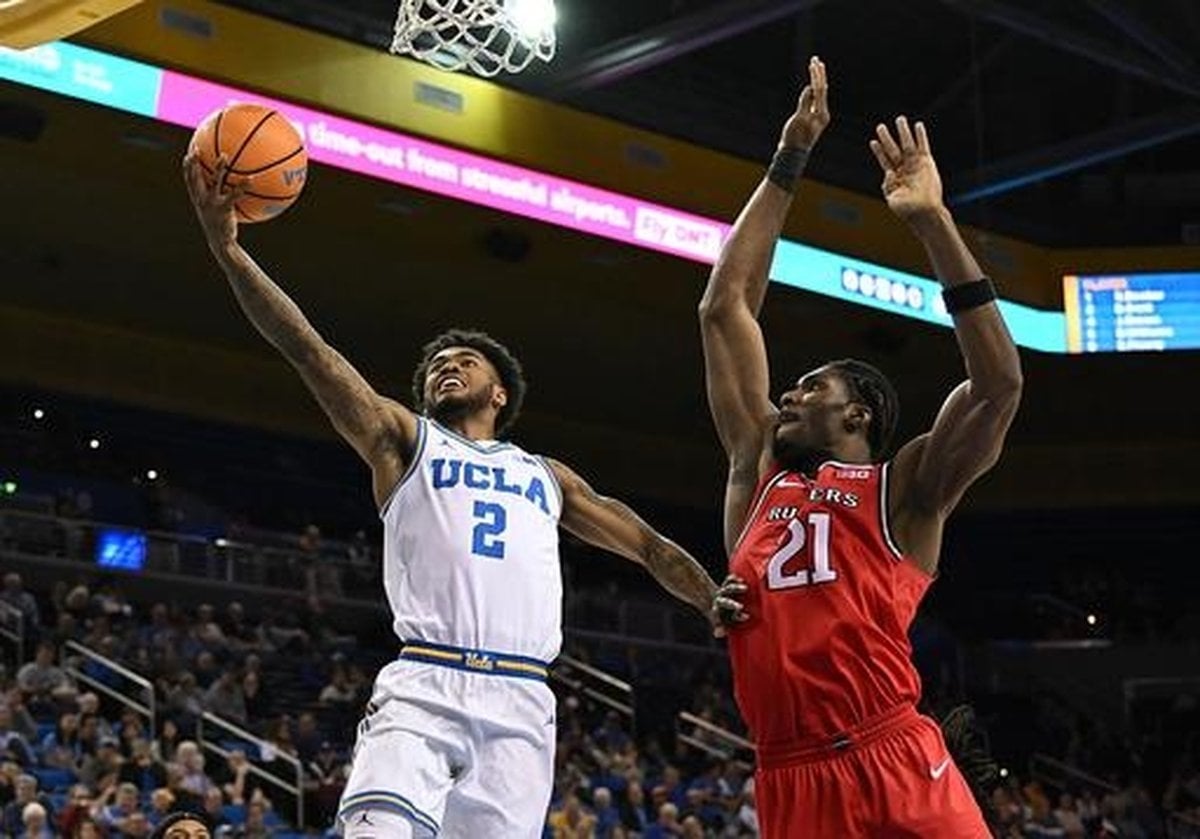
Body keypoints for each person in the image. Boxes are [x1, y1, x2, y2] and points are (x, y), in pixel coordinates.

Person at [183, 154, 727, 839]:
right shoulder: (404, 441)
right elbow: (310, 351)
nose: (447, 366)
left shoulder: (548, 476)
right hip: (426, 684)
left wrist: (710, 597)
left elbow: (645, 544)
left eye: (465, 361)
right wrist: (230, 252)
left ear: (498, 393)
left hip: (522, 699)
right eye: (437, 365)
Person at [701, 57, 1022, 837]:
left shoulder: (903, 490)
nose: (789, 395)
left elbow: (998, 386)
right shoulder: (759, 471)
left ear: (860, 413)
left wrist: (932, 223)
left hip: (893, 756)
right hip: (789, 775)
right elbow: (724, 306)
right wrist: (789, 157)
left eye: (811, 386)